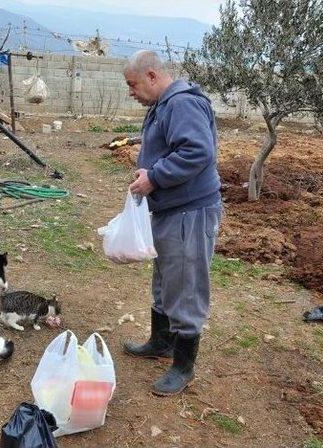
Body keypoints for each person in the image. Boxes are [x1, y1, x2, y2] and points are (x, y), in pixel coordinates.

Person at [122, 50, 223, 396]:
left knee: (186, 286)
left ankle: (183, 366)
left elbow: (197, 152)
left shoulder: (181, 104)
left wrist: (155, 178)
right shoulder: (163, 106)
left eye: (132, 84)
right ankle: (161, 342)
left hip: (190, 212)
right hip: (172, 209)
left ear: (151, 76)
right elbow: (171, 147)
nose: (130, 92)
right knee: (166, 279)